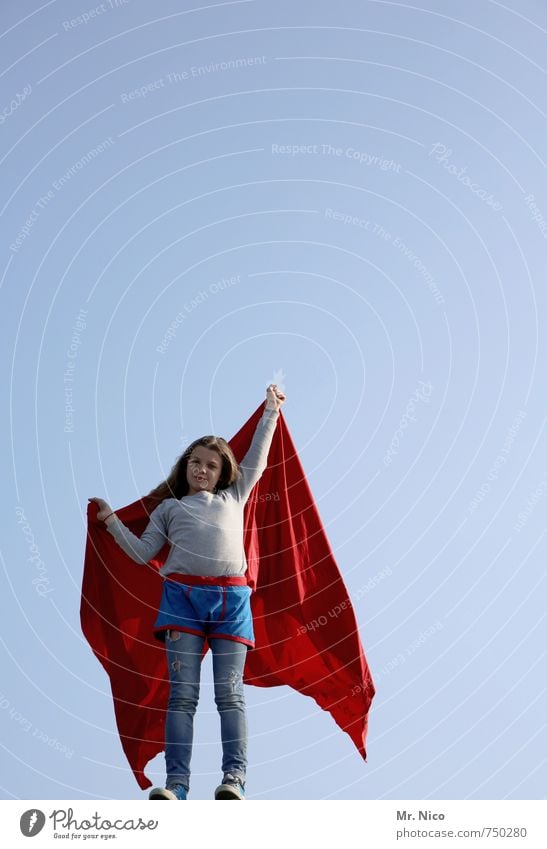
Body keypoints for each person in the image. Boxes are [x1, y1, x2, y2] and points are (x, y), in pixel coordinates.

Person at [89, 383, 286, 801]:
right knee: (182, 698)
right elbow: (143, 554)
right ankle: (177, 784)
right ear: (185, 466)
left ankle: (235, 779)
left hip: (231, 602)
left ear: (223, 473)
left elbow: (258, 459)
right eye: (195, 463)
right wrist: (110, 522)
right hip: (182, 603)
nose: (202, 470)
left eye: (211, 466)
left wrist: (270, 411)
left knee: (230, 695)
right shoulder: (169, 509)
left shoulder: (235, 496)